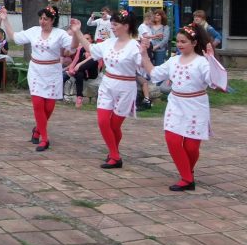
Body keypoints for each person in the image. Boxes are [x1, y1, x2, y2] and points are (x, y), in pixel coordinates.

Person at [139, 23, 227, 191]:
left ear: (194, 43)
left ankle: (188, 171)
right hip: (176, 104)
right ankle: (187, 179)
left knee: (191, 147)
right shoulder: (173, 60)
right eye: (178, 41)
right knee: (172, 140)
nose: (179, 44)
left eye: (183, 41)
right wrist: (144, 55)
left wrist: (211, 58)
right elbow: (155, 73)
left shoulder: (202, 62)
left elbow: (215, 82)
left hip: (196, 106)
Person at [71, 10, 142, 169]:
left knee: (115, 125)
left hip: (125, 88)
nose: (112, 27)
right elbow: (90, 48)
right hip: (107, 84)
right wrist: (77, 31)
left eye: (115, 24)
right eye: (112, 24)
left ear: (126, 26)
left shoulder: (135, 46)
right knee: (103, 121)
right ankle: (115, 156)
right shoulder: (109, 43)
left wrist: (144, 53)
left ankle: (113, 153)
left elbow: (143, 67)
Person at [1, 5, 77, 151]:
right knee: (38, 105)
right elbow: (14, 37)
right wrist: (5, 20)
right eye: (41, 18)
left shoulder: (59, 34)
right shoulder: (34, 31)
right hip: (36, 70)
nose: (42, 21)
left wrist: (76, 33)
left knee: (48, 108)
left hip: (53, 72)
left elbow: (73, 46)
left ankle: (37, 130)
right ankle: (44, 138)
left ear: (53, 20)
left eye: (46, 19)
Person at [63, 32, 99, 108]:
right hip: (81, 72)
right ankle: (79, 97)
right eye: (84, 39)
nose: (85, 41)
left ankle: (77, 70)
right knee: (79, 74)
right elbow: (75, 61)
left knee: (93, 60)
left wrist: (79, 65)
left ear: (92, 40)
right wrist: (71, 69)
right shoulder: (81, 49)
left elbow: (94, 61)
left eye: (87, 39)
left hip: (92, 73)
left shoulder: (96, 48)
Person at [136, 11, 155, 109]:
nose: (152, 22)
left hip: (148, 45)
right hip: (135, 72)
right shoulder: (142, 26)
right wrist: (155, 36)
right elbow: (146, 36)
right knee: (145, 62)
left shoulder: (148, 27)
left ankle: (146, 99)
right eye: (151, 20)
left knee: (148, 61)